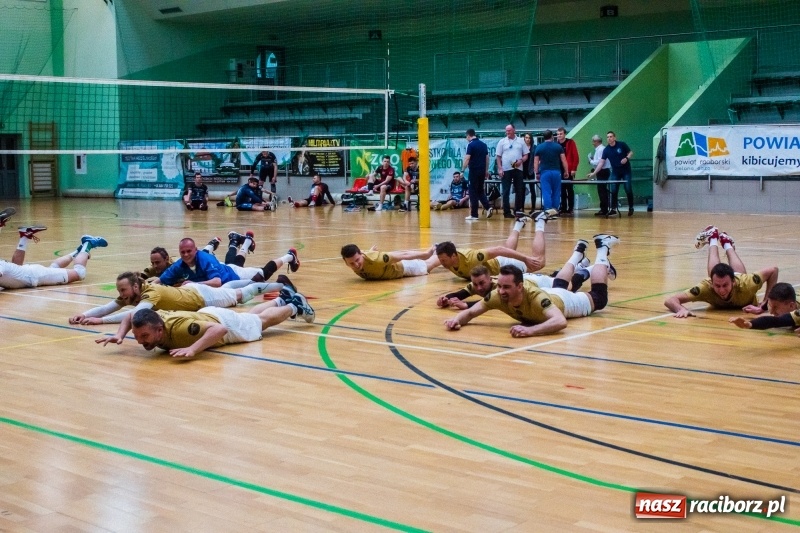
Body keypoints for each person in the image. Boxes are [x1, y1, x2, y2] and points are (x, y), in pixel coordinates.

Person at [444, 234, 618, 337]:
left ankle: (602, 249)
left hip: (564, 302)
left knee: (599, 299)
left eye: (506, 287)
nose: (501, 291)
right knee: (560, 282)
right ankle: (583, 257)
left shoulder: (536, 298)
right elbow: (471, 313)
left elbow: (560, 322)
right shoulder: (498, 295)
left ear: (520, 287)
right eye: (500, 287)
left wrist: (530, 331)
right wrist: (456, 320)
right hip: (551, 290)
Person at [95, 293, 315, 359]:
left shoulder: (182, 330)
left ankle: (294, 305)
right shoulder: (150, 320)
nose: (141, 342)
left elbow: (220, 331)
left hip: (218, 323)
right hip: (205, 316)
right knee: (250, 318)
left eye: (144, 337)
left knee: (260, 323)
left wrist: (193, 349)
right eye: (138, 336)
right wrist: (120, 335)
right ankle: (279, 300)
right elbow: (130, 316)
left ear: (160, 330)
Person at [436, 241, 609, 310]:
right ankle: (585, 263)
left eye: (481, 284)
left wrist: (465, 305)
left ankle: (585, 263)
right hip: (524, 279)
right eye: (477, 285)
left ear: (490, 278)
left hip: (530, 279)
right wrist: (446, 298)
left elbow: (487, 302)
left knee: (564, 286)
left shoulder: (500, 288)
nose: (479, 288)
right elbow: (460, 294)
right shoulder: (478, 281)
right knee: (562, 283)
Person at [69, 271, 286, 325]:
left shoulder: (149, 293)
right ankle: (258, 281)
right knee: (231, 289)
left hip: (202, 298)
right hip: (193, 293)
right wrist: (84, 314)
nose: (121, 295)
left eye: (123, 290)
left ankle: (283, 285)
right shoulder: (131, 295)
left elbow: (136, 314)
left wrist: (100, 322)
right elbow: (108, 306)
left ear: (135, 286)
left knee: (242, 295)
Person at [664, 226, 779, 318]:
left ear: (733, 282)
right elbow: (670, 300)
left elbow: (773, 270)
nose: (721, 290)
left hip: (740, 281)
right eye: (717, 286)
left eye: (725, 285)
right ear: (711, 284)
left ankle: (724, 242)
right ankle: (714, 238)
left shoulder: (747, 283)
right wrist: (681, 309)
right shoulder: (706, 287)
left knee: (741, 275)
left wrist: (765, 302)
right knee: (715, 272)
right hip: (728, 280)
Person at [434, 208, 557, 280]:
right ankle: (519, 221)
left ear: (454, 256)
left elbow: (498, 249)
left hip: (500, 265)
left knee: (539, 262)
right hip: (498, 262)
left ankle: (540, 220)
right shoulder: (448, 258)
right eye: (441, 260)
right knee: (508, 251)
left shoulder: (473, 258)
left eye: (444, 260)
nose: (442, 263)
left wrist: (526, 259)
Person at [154, 237, 299, 288]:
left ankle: (289, 256)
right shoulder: (179, 265)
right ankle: (242, 241)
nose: (185, 255)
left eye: (189, 251)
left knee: (263, 274)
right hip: (226, 269)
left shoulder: (205, 259)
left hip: (234, 276)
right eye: (182, 252)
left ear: (196, 250)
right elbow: (160, 280)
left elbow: (217, 282)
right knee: (234, 262)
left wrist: (194, 284)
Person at [0, 226, 107, 290]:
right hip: (32, 273)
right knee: (54, 268)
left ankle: (88, 243)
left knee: (79, 273)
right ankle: (78, 251)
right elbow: (15, 266)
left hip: (36, 276)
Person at [588, 131, 634, 216]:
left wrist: (626, 158)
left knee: (628, 188)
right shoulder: (606, 150)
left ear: (614, 138)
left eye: (611, 136)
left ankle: (631, 207)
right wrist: (594, 173)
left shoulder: (621, 145)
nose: (609, 138)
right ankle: (613, 209)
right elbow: (601, 162)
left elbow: (630, 152)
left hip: (626, 170)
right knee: (613, 190)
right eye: (608, 137)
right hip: (615, 171)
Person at [341, 244, 440, 281]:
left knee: (429, 264)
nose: (356, 265)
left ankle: (442, 250)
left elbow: (403, 254)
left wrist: (425, 254)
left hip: (403, 268)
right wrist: (370, 251)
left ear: (361, 255)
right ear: (346, 263)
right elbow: (363, 253)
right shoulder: (358, 256)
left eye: (357, 260)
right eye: (351, 263)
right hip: (386, 265)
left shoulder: (378, 260)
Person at [728, 282, 800, 333]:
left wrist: (751, 324)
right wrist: (761, 309)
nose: (771, 312)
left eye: (775, 307)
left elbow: (775, 321)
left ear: (791, 306)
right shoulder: (786, 302)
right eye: (770, 306)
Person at [495, 124, 529, 218]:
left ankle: (517, 210)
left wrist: (521, 160)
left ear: (514, 130)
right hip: (506, 169)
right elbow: (498, 156)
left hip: (518, 168)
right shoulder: (502, 142)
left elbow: (526, 155)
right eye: (506, 131)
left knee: (519, 190)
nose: (507, 132)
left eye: (509, 130)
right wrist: (500, 168)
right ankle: (506, 212)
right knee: (506, 191)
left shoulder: (521, 141)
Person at [533, 130, 568, 212]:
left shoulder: (539, 147)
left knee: (546, 192)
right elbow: (564, 160)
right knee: (556, 192)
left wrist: (537, 173)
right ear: (552, 136)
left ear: (544, 137)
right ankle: (555, 210)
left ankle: (548, 210)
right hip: (556, 172)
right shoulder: (558, 147)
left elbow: (536, 162)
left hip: (544, 173)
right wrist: (566, 171)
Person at [462, 128, 492, 221]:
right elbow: (487, 159)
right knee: (479, 191)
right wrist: (486, 170)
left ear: (468, 135)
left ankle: (474, 214)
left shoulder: (470, 145)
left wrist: (462, 170)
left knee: (472, 192)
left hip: (474, 171)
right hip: (482, 171)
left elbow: (467, 158)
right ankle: (488, 207)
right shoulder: (483, 145)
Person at [556, 127, 580, 216]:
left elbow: (576, 156)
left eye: (561, 134)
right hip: (559, 170)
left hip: (569, 170)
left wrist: (574, 169)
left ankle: (570, 208)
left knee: (569, 190)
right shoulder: (556, 144)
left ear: (564, 134)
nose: (559, 135)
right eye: (558, 134)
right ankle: (563, 208)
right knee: (561, 190)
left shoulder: (571, 142)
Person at [587, 134, 612, 216]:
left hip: (603, 171)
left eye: (593, 141)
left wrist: (591, 161)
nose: (592, 143)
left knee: (602, 191)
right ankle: (603, 209)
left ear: (596, 141)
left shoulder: (601, 149)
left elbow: (600, 162)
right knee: (602, 191)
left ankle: (604, 209)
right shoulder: (600, 149)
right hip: (602, 171)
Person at [522, 133, 537, 213]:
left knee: (532, 190)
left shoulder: (534, 147)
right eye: (526, 138)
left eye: (529, 138)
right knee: (522, 190)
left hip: (531, 170)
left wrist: (536, 169)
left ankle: (533, 208)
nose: (527, 139)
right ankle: (522, 208)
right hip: (522, 170)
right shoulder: (521, 147)